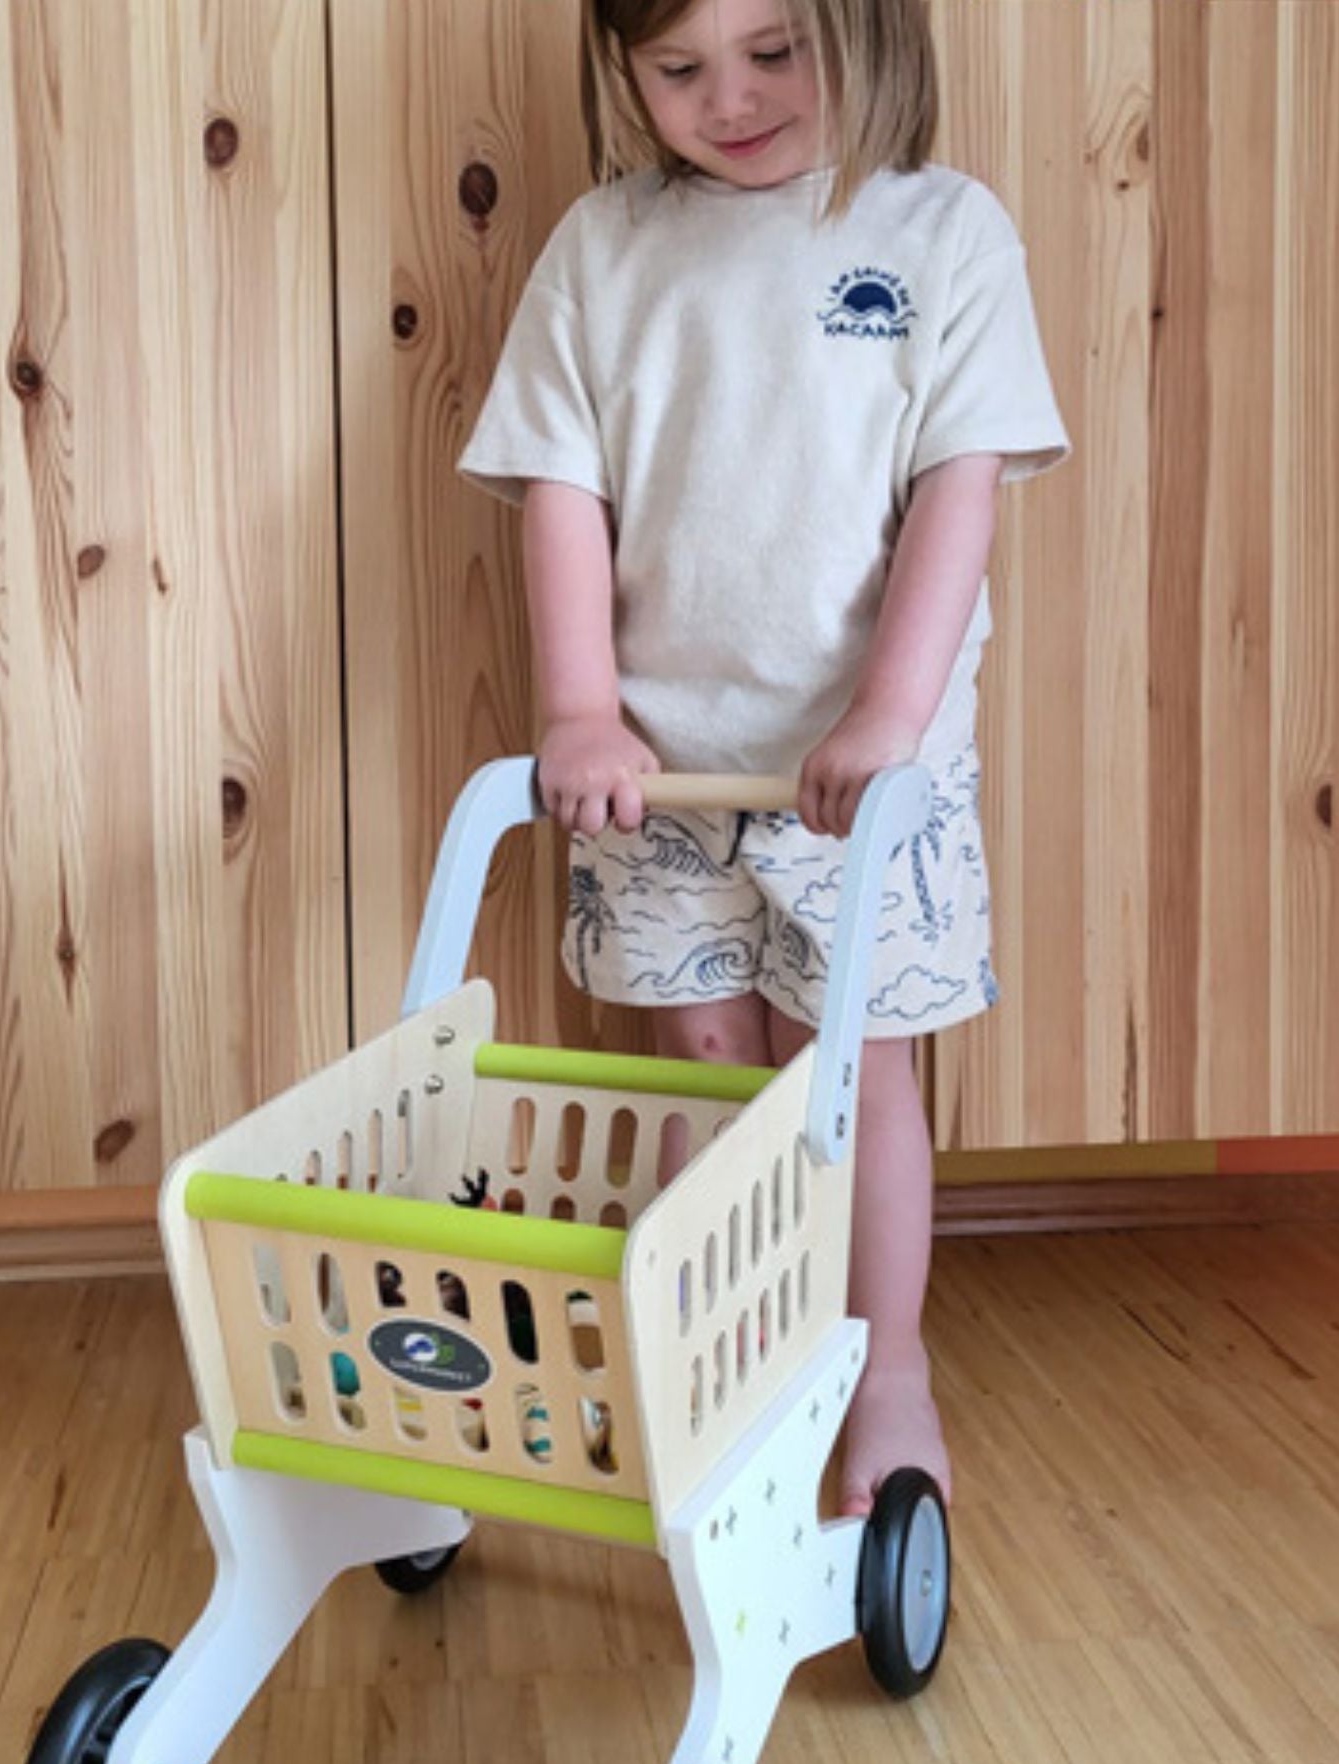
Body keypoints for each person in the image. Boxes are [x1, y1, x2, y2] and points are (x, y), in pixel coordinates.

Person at [458, 0, 1069, 1515]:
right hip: (659, 774)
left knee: (851, 1076)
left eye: (773, 52)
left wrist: (891, 715)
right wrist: (580, 709)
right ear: (626, 69)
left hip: (860, 781)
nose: (726, 98)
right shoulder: (602, 250)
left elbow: (959, 490)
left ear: (863, 33)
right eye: (677, 68)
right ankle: (739, 1341)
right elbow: (557, 486)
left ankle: (889, 1372)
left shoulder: (942, 233)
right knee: (712, 1068)